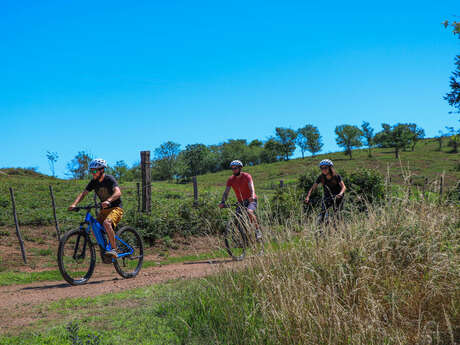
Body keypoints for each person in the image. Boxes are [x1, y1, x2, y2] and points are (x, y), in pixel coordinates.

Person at [68, 158, 123, 258]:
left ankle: (114, 249)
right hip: (104, 210)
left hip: (116, 208)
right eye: (91, 171)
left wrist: (108, 200)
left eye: (94, 171)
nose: (92, 173)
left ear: (102, 170)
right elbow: (83, 194)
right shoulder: (93, 182)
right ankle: (106, 248)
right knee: (94, 228)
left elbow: (118, 192)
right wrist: (74, 204)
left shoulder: (109, 179)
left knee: (107, 223)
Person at [218, 160, 262, 240]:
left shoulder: (246, 176)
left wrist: (252, 196)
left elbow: (252, 187)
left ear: (240, 168)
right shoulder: (231, 179)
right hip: (240, 201)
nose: (234, 170)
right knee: (237, 218)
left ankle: (257, 230)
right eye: (232, 168)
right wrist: (222, 202)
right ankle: (244, 236)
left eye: (235, 168)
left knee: (249, 212)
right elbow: (226, 192)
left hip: (251, 200)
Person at [304, 159, 346, 224]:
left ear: (330, 168)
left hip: (338, 197)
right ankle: (322, 228)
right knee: (323, 213)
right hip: (327, 197)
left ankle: (339, 227)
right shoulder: (321, 177)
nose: (323, 169)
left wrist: (340, 194)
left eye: (325, 167)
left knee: (337, 213)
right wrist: (308, 197)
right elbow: (313, 188)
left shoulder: (336, 176)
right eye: (321, 168)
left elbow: (343, 187)